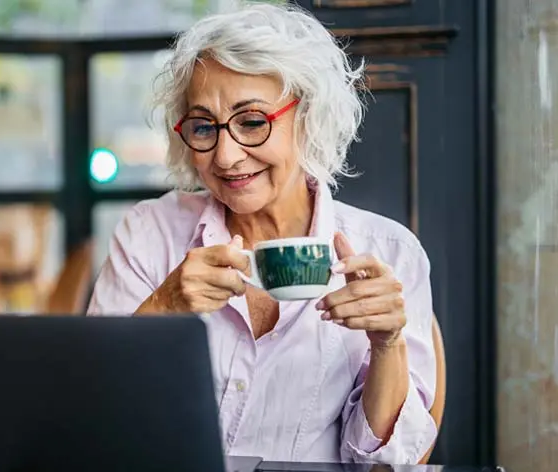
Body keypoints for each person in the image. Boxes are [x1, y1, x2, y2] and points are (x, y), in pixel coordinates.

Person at [87, 2, 438, 465]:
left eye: (252, 122)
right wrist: (165, 305)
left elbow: (387, 461)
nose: (226, 156)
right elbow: (91, 409)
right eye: (203, 126)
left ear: (308, 115)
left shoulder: (390, 251)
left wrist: (387, 344)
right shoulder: (148, 232)